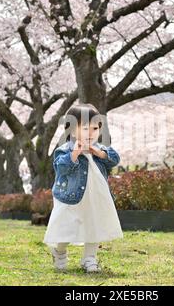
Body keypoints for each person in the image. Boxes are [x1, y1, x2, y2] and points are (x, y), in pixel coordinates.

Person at [43, 103, 123, 273]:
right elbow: (61, 168)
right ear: (72, 130)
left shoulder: (100, 150)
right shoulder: (65, 150)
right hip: (70, 197)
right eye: (85, 128)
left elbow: (115, 159)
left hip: (96, 195)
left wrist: (100, 153)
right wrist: (74, 154)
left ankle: (89, 257)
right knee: (66, 225)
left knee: (95, 223)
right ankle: (60, 251)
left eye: (95, 128)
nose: (91, 133)